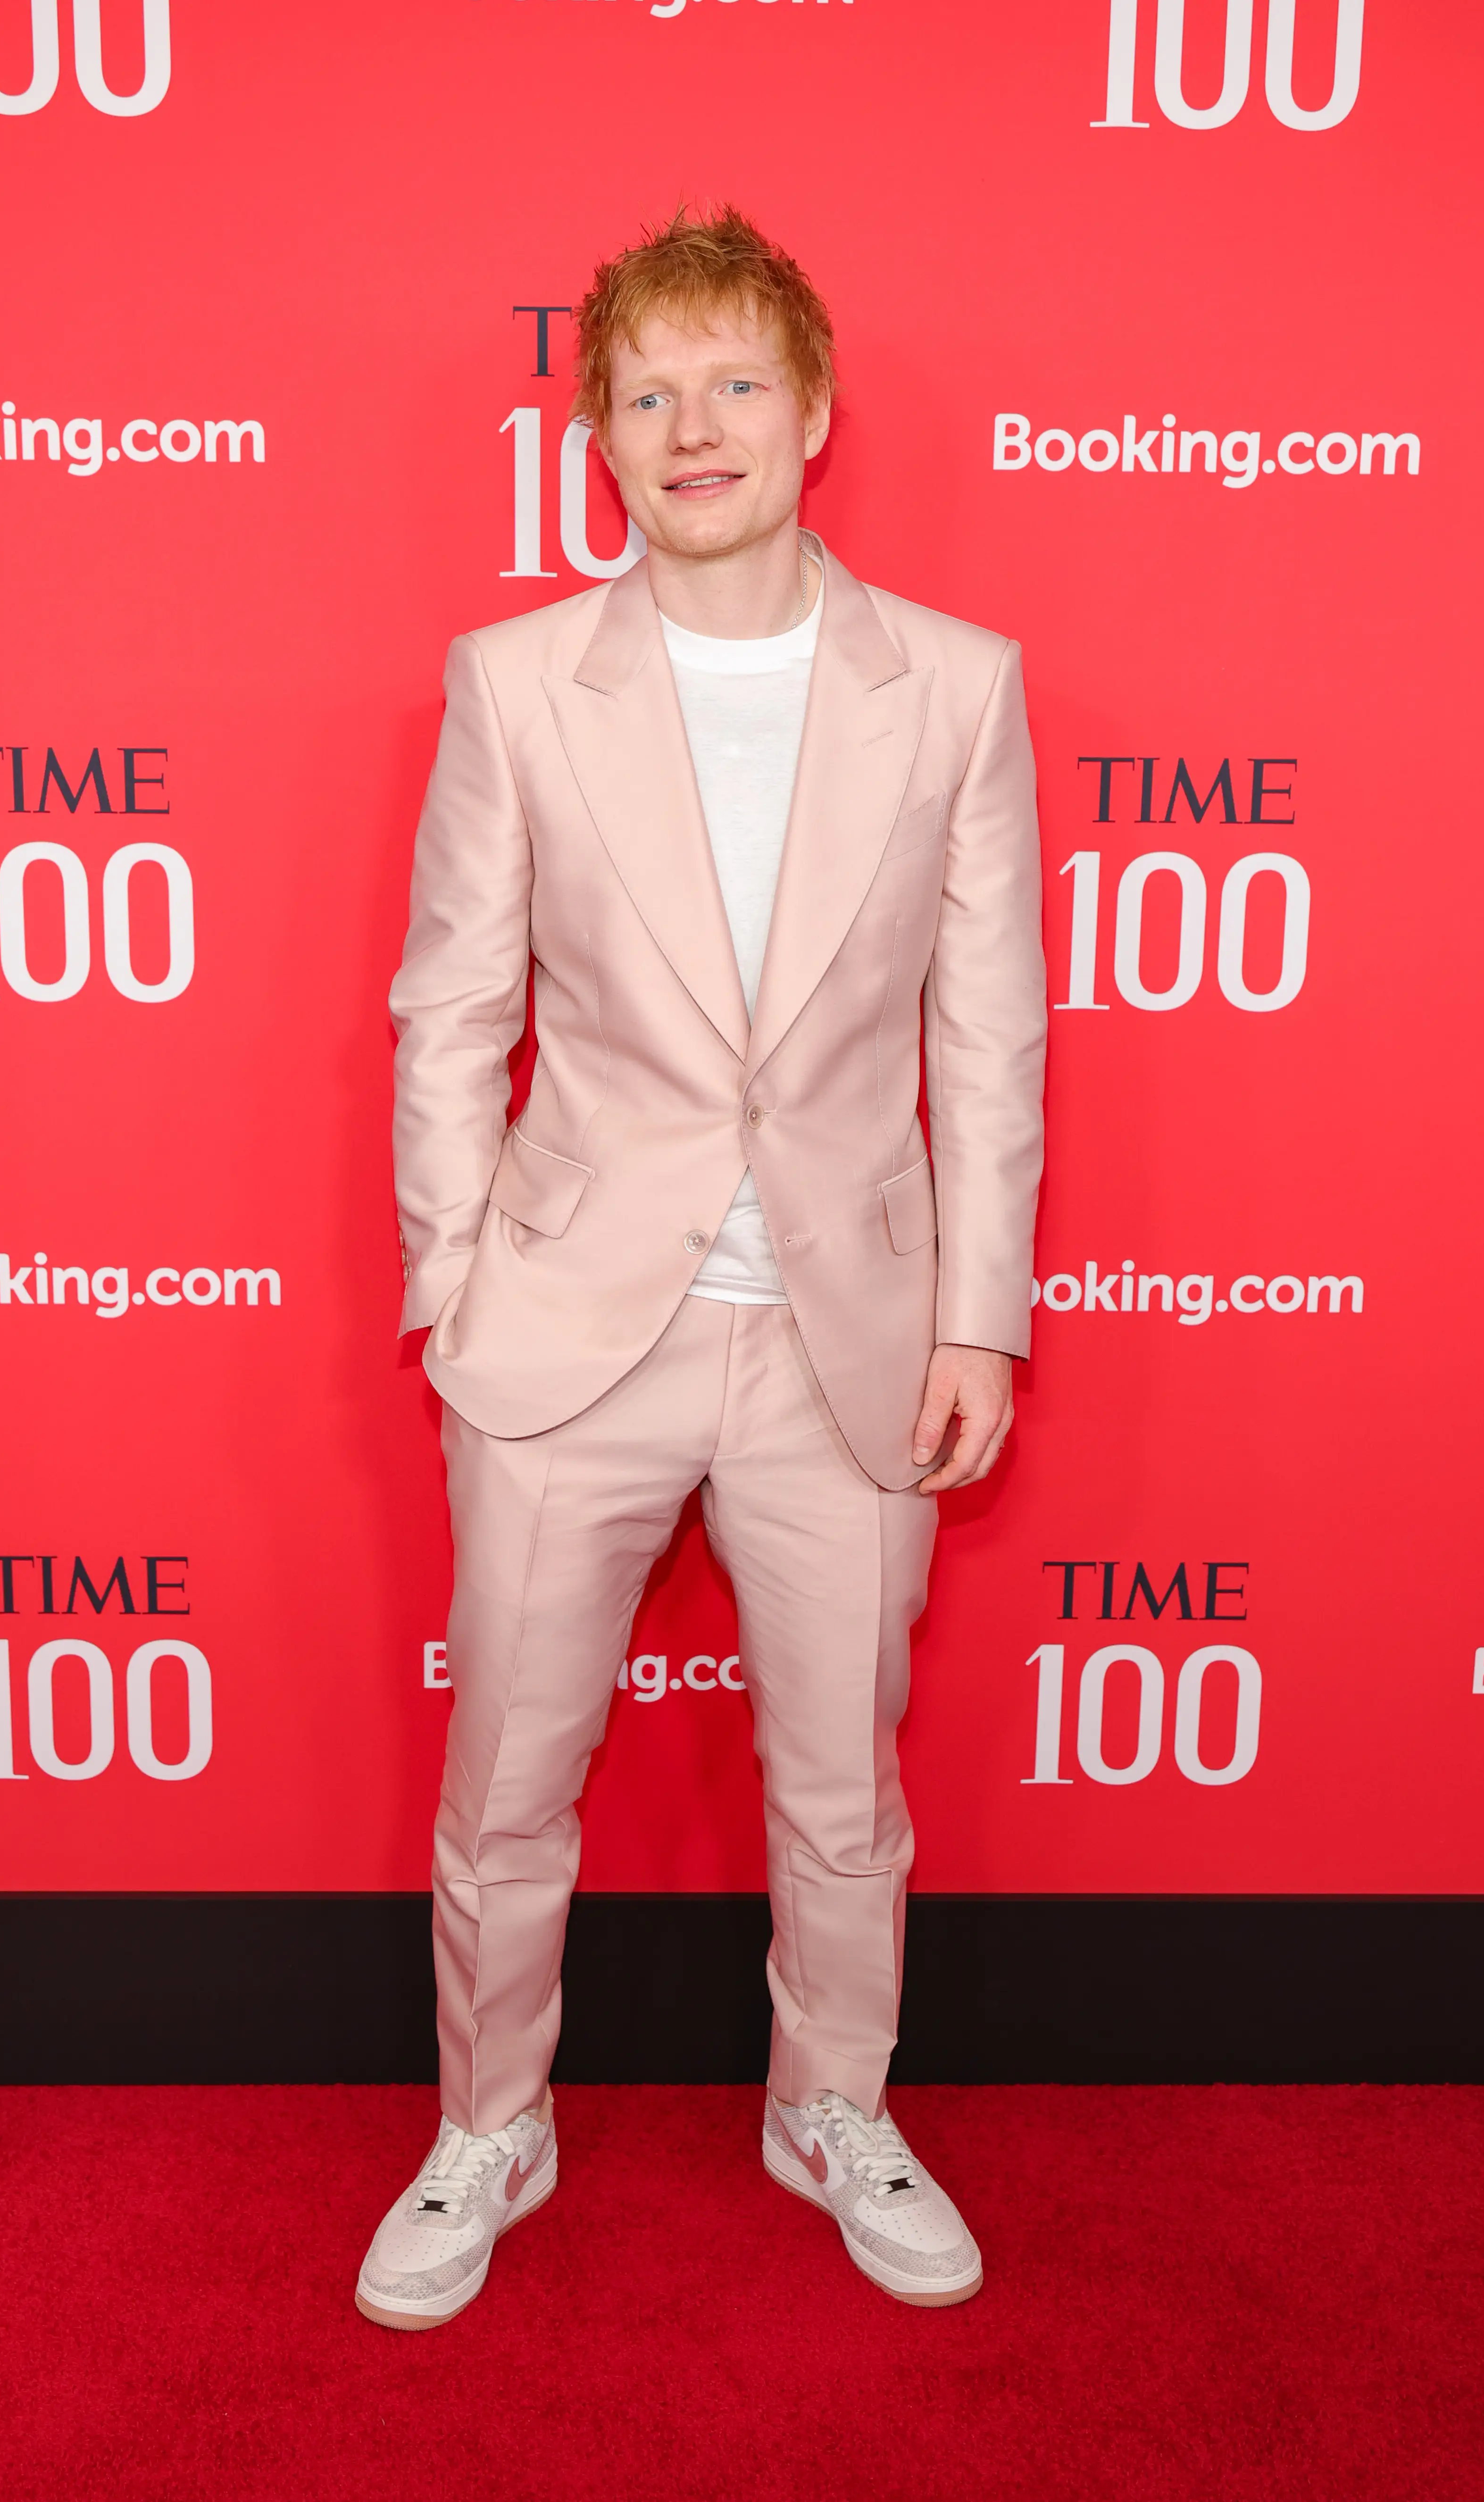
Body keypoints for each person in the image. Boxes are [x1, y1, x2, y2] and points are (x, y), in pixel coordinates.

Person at [358, 206, 1045, 2329]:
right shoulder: (512, 684)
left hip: (842, 1332)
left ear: (812, 415)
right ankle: (491, 2122)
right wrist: (452, 1293)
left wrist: (975, 1314)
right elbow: (449, 1012)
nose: (690, 425)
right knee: (510, 1780)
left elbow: (987, 1026)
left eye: (732, 380)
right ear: (599, 443)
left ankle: (829, 2107)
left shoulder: (955, 683)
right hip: (567, 1332)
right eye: (644, 392)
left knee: (842, 1785)